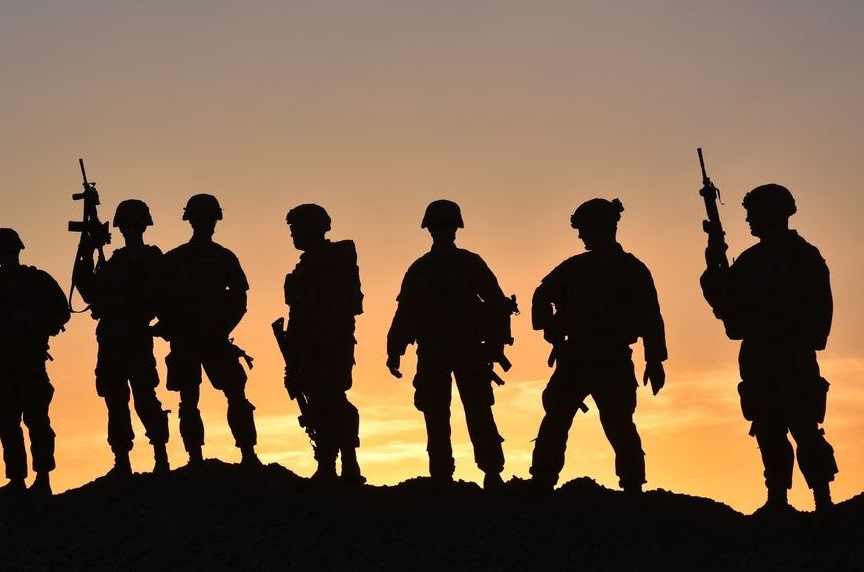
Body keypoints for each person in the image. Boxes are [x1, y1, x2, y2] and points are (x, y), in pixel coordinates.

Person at [700, 184, 837, 513]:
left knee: (803, 426)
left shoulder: (803, 256)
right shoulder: (749, 261)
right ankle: (777, 498)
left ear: (772, 214)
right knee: (767, 428)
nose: (748, 220)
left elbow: (820, 308)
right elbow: (725, 301)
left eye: (754, 214)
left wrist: (801, 341)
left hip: (792, 355)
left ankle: (822, 497)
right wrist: (714, 258)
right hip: (759, 355)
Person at [528, 198, 666, 495]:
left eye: (584, 229)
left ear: (601, 227)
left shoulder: (629, 270)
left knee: (617, 423)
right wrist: (549, 327)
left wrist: (655, 361)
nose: (580, 235)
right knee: (557, 418)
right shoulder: (581, 268)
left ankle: (631, 484)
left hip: (610, 357)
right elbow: (541, 295)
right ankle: (542, 479)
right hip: (578, 355)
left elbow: (650, 318)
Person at [386, 200, 516, 490]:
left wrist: (495, 346)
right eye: (438, 226)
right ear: (430, 229)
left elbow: (497, 304)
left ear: (455, 228)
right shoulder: (420, 269)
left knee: (478, 410)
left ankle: (492, 471)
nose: (442, 231)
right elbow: (405, 311)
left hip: (468, 350)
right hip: (432, 351)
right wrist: (394, 348)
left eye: (447, 226)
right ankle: (442, 474)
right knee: (435, 413)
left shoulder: (469, 264)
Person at [158, 194, 259, 467]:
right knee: (189, 399)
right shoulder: (175, 259)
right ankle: (196, 457)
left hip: (214, 338)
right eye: (201, 219)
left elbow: (240, 298)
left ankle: (247, 453)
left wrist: (222, 327)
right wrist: (172, 325)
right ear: (191, 221)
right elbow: (160, 299)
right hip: (187, 340)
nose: (206, 224)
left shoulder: (223, 258)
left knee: (235, 394)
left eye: (209, 219)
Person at [73, 199, 170, 477]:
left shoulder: (152, 258)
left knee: (144, 396)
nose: (130, 230)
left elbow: (159, 294)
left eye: (134, 224)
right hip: (111, 337)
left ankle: (160, 455)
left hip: (136, 335)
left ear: (143, 226)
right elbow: (87, 290)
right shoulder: (113, 261)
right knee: (115, 399)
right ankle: (122, 460)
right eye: (126, 225)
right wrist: (88, 248)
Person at [0, 229, 69, 495]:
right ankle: (17, 479)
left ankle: (43, 478)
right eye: (2, 253)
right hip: (1, 361)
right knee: (7, 422)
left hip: (29, 359)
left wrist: (32, 320)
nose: (5, 257)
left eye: (7, 251)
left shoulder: (37, 280)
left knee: (36, 420)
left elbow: (61, 313)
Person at [280, 204, 364, 482]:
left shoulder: (334, 260)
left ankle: (347, 464)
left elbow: (341, 307)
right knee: (319, 404)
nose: (292, 234)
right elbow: (298, 315)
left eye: (296, 228)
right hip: (310, 347)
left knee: (333, 402)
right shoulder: (306, 267)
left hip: (329, 345)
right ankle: (329, 464)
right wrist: (293, 359)